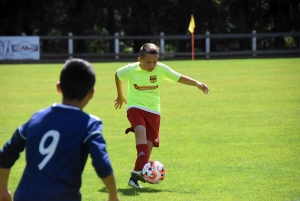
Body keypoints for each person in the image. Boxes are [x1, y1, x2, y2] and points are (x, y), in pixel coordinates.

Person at [0, 58, 120, 201]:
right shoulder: (89, 125)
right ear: (91, 93)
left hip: (25, 196)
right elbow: (102, 163)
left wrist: (2, 189)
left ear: (59, 87)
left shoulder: (36, 118)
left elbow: (7, 153)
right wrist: (113, 194)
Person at [114, 43, 209, 188]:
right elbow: (117, 75)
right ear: (140, 59)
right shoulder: (131, 69)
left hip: (153, 110)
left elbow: (178, 77)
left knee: (149, 143)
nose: (152, 65)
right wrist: (120, 95)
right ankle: (145, 168)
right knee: (140, 130)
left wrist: (197, 83)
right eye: (148, 62)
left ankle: (135, 176)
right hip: (135, 107)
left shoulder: (161, 69)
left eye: (154, 62)